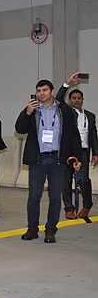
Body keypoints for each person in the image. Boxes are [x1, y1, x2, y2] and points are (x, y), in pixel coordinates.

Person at [15, 79, 83, 243]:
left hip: (57, 160)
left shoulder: (63, 111)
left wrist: (78, 158)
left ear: (52, 92)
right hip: (38, 160)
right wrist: (27, 112)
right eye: (38, 90)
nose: (41, 93)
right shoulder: (33, 110)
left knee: (54, 196)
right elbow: (20, 129)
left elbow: (74, 136)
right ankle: (32, 228)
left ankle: (51, 230)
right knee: (34, 197)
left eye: (44, 90)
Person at [57, 72, 98, 219]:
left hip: (84, 151)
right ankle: (69, 208)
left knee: (84, 180)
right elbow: (57, 99)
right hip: (68, 151)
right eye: (74, 98)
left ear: (82, 100)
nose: (76, 100)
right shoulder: (67, 111)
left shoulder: (90, 116)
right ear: (70, 100)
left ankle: (87, 205)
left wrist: (96, 153)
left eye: (79, 98)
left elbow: (93, 135)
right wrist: (67, 82)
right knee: (66, 180)